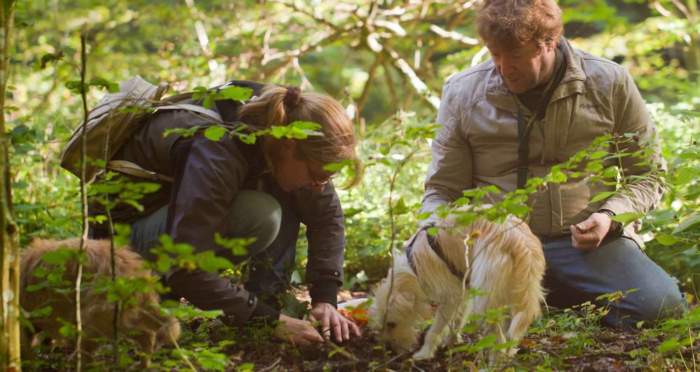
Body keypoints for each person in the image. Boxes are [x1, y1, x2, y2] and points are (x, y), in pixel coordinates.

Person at [421, 0, 686, 329]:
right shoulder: (463, 93)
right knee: (446, 313)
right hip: (496, 246)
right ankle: (543, 301)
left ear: (549, 42)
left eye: (514, 55)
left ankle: (548, 299)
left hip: (582, 244)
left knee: (661, 306)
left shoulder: (609, 83)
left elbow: (647, 175)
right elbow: (443, 188)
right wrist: (436, 233)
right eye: (494, 54)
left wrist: (610, 217)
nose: (503, 67)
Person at [90, 80, 362, 345]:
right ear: (290, 145)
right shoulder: (218, 148)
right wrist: (267, 320)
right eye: (318, 174)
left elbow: (325, 217)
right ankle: (159, 290)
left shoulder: (282, 130)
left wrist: (325, 299)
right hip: (118, 244)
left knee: (290, 191)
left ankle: (267, 298)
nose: (321, 185)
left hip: (170, 220)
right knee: (261, 215)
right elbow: (187, 266)